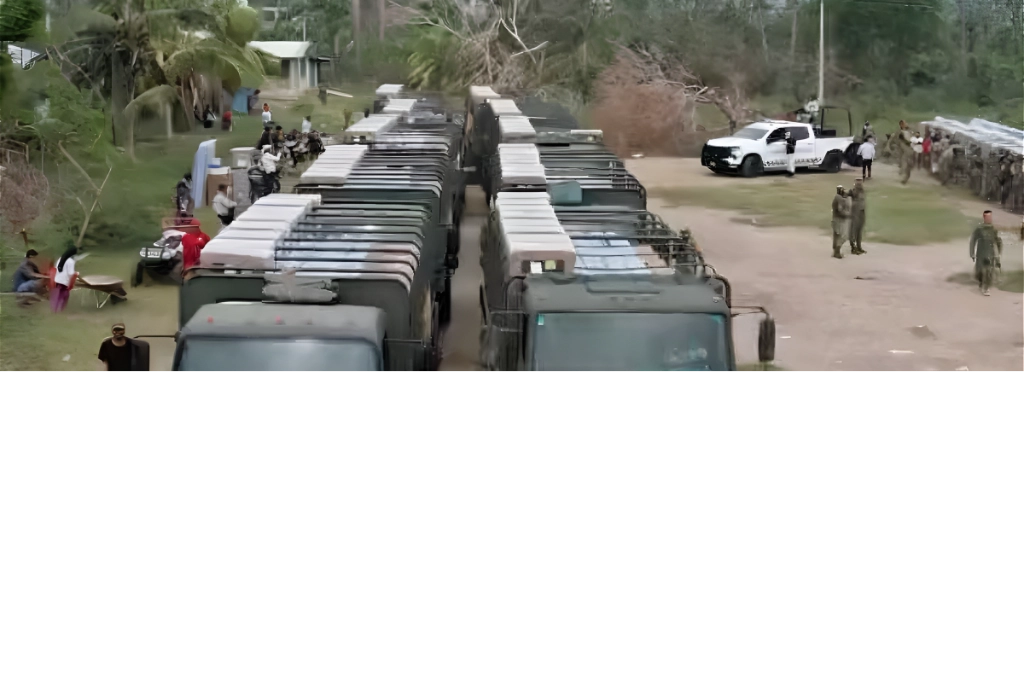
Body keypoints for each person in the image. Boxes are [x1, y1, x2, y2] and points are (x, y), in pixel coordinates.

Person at [969, 211, 1003, 296]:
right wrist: (972, 253)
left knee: (989, 270)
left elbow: (997, 240)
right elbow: (973, 240)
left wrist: (999, 252)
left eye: (990, 217)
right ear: (984, 218)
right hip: (981, 253)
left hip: (990, 253)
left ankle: (986, 288)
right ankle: (981, 282)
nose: (990, 219)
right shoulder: (979, 228)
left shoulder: (993, 229)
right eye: (988, 217)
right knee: (980, 271)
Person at [51, 246, 77, 312]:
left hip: (57, 280)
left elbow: (56, 268)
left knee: (60, 296)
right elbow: (71, 273)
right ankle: (60, 310)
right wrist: (76, 275)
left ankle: (56, 310)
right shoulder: (71, 261)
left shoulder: (60, 258)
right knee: (64, 297)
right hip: (64, 282)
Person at [831, 186, 851, 259]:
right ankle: (837, 251)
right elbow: (840, 210)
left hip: (835, 219)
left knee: (836, 235)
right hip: (840, 220)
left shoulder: (837, 197)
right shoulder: (839, 198)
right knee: (843, 236)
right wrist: (849, 215)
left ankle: (835, 251)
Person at [848, 179, 867, 255]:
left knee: (859, 231)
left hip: (862, 212)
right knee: (853, 231)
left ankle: (859, 247)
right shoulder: (853, 192)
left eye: (860, 182)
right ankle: (853, 248)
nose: (860, 184)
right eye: (857, 182)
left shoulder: (862, 192)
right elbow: (846, 194)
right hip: (855, 213)